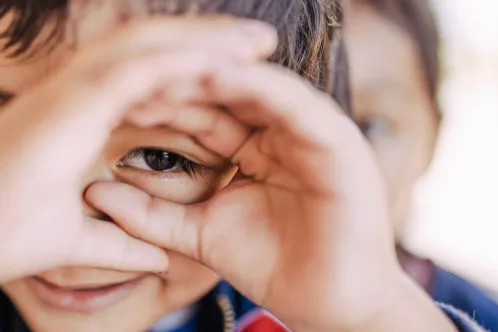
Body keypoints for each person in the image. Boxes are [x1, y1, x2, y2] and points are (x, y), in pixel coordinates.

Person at [0, 0, 484, 331]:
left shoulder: (302, 301)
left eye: (162, 157)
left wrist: (371, 315)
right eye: (18, 132)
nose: (59, 206)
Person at [345, 0, 498, 330]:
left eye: (370, 126)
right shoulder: (215, 300)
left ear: (433, 138)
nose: (327, 158)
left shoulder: (485, 317)